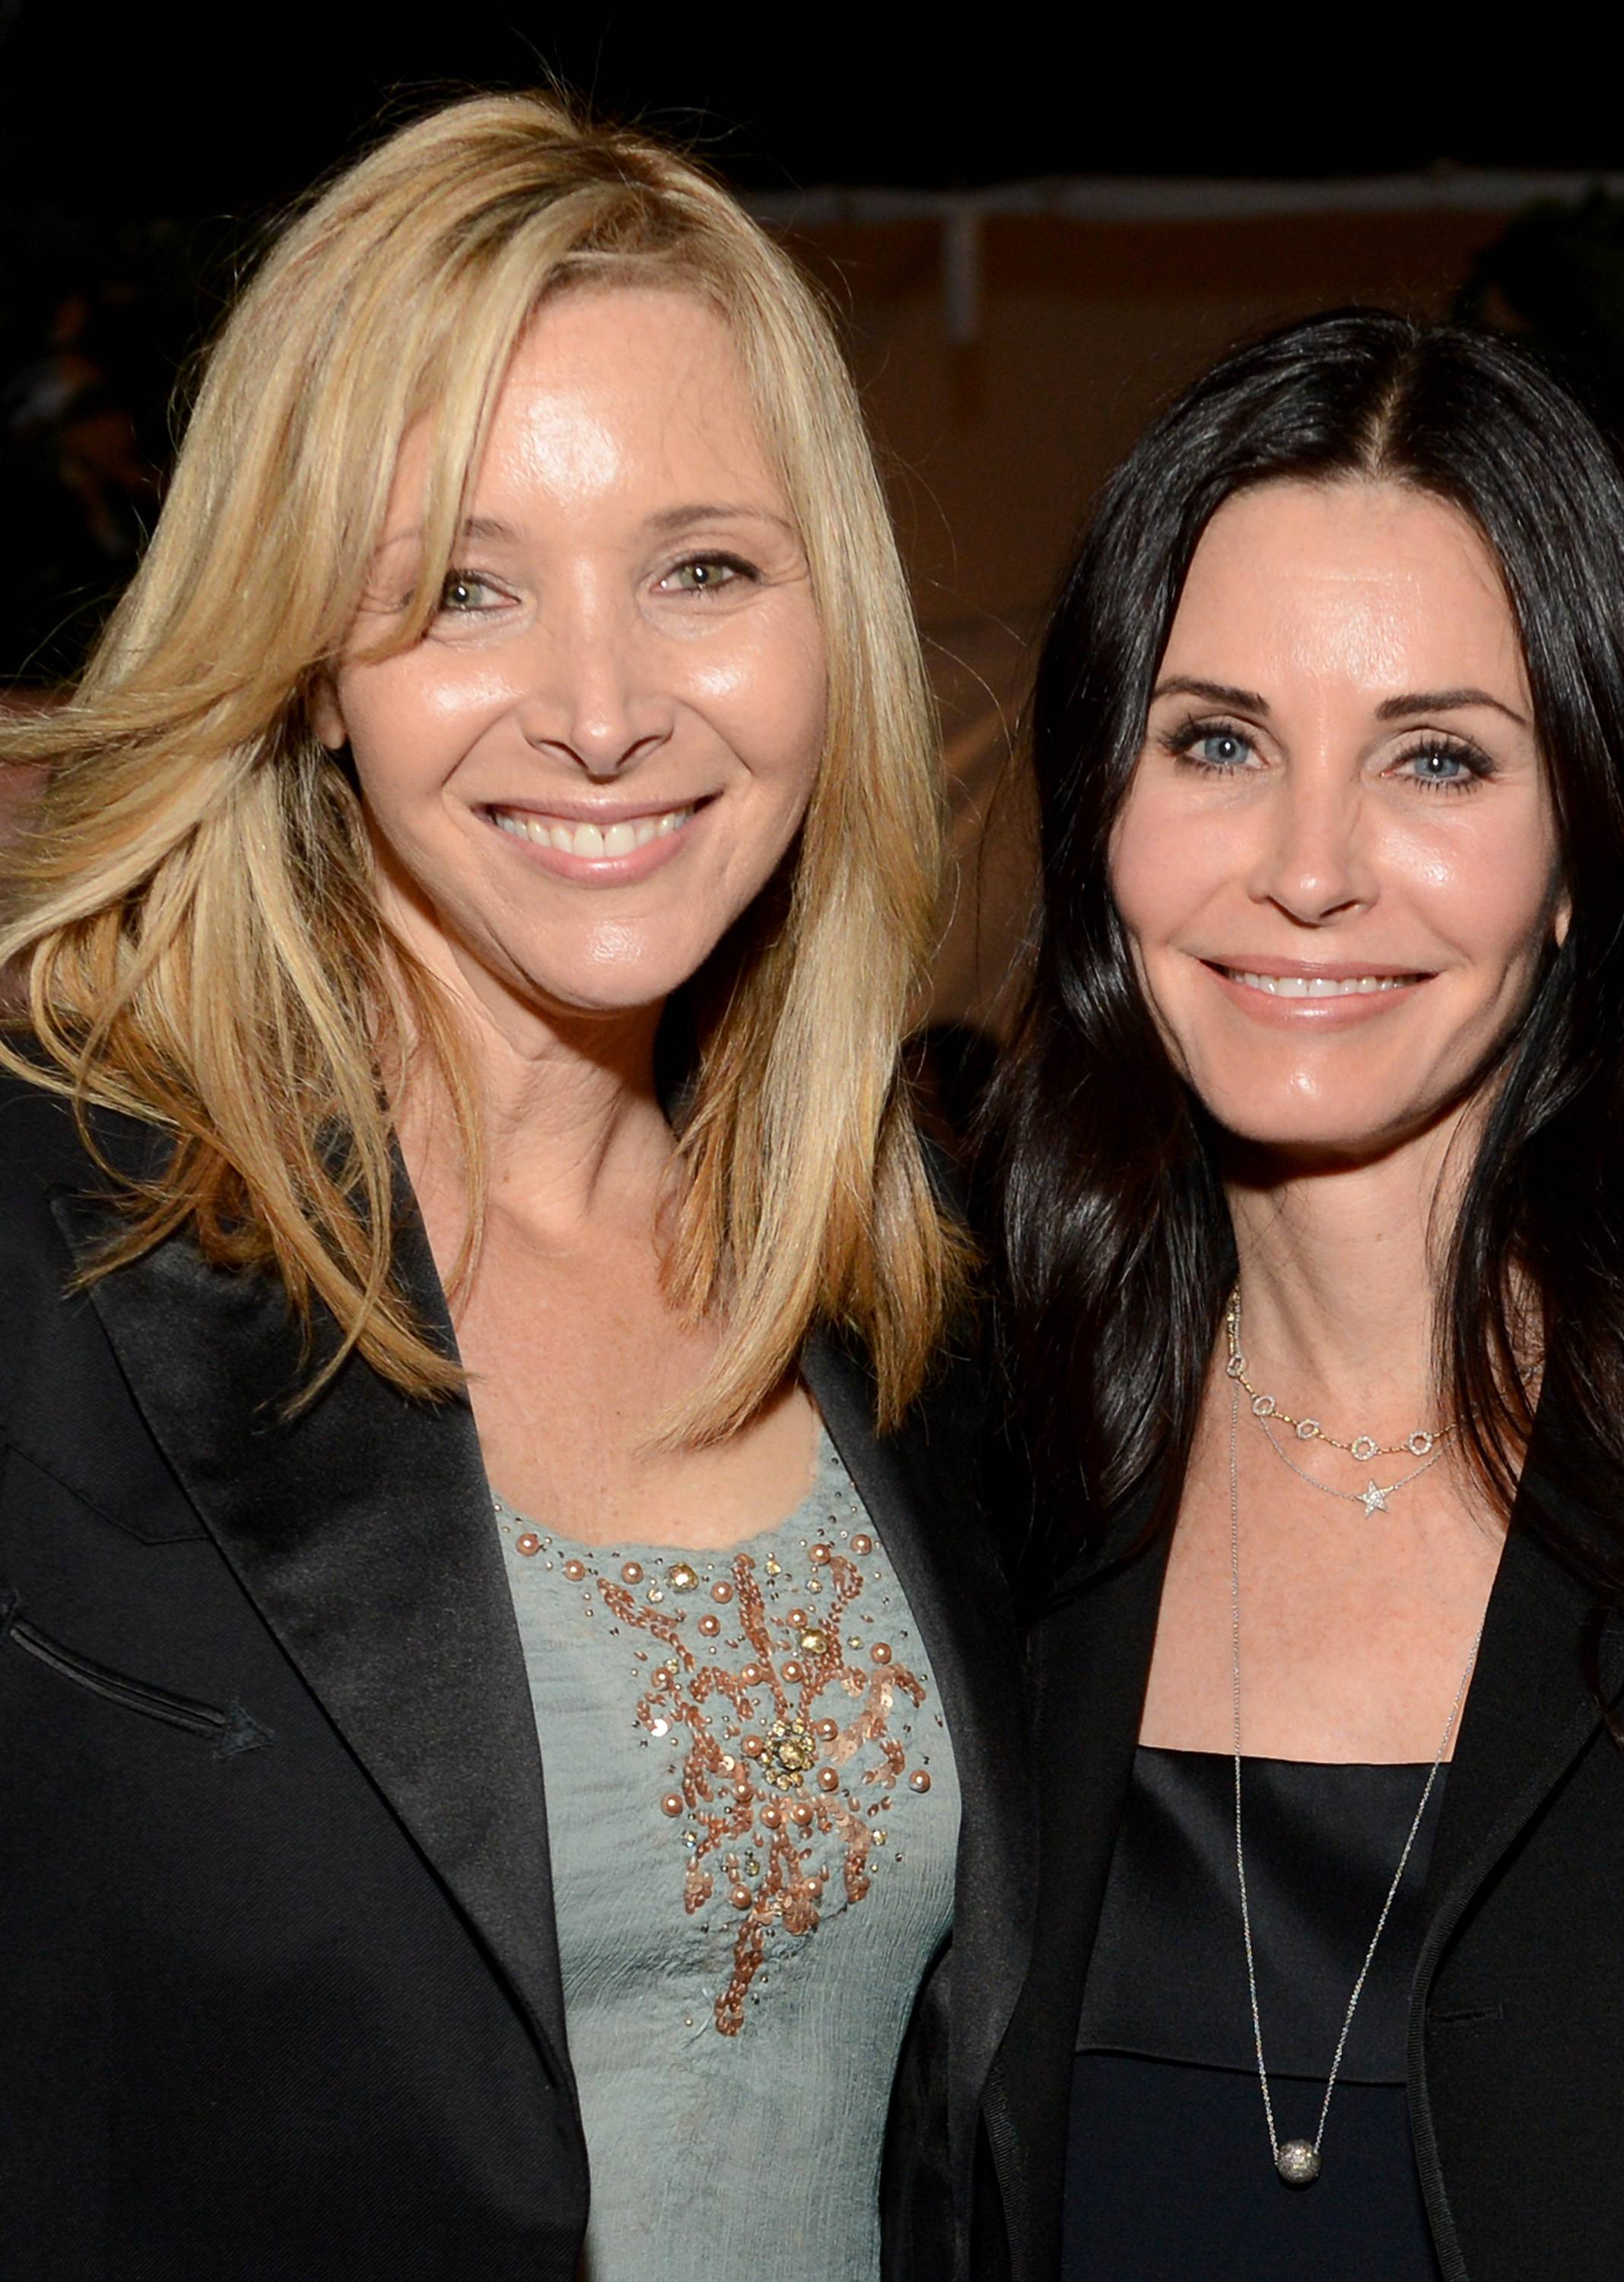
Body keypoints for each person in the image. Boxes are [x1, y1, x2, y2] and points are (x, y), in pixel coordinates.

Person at [0, 94, 1030, 2282]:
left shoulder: (910, 1279)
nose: (600, 707)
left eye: (701, 570)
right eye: (463, 588)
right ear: (309, 670)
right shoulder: (49, 1250)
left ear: (828, 623)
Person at [977, 310, 1624, 2282]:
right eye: (1217, 742)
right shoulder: (974, 1449)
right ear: (1102, 805)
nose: (1309, 870)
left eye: (1435, 757)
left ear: (1584, 845)